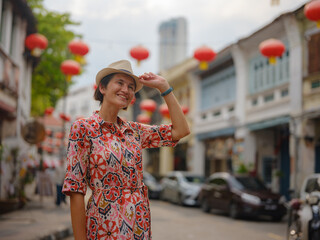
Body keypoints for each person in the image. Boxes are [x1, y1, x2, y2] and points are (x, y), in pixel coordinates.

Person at [62, 59, 190, 240]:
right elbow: (75, 190)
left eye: (131, 86)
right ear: (102, 88)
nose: (126, 90)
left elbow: (180, 130)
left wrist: (164, 87)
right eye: (120, 83)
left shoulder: (135, 131)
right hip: (103, 226)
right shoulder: (84, 128)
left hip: (138, 226)